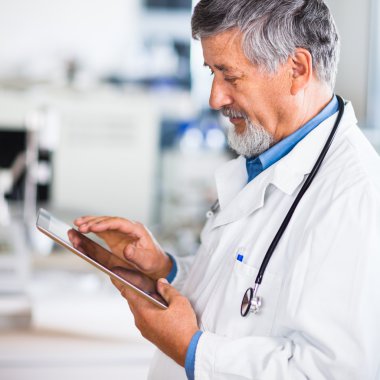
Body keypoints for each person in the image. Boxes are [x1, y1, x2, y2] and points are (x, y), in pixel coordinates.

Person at [74, 0, 380, 379]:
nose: (215, 98)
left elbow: (334, 371)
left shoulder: (356, 197)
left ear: (297, 69)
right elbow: (241, 297)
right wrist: (164, 270)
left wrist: (192, 351)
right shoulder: (266, 158)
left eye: (230, 76)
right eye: (211, 73)